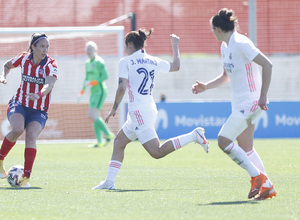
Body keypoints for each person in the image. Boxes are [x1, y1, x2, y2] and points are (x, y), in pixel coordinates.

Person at [93, 28, 209, 190]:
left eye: (126, 45)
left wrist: (114, 108)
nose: (125, 49)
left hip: (139, 112)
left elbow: (121, 88)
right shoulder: (153, 60)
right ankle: (109, 182)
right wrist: (175, 45)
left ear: (130, 44)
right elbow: (176, 66)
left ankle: (193, 136)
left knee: (157, 152)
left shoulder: (125, 61)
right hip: (145, 109)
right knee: (119, 142)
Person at [192, 8, 276, 200]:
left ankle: (257, 177)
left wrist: (263, 96)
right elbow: (225, 77)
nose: (212, 33)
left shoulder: (241, 43)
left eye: (212, 30)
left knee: (223, 140)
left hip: (252, 101)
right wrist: (206, 86)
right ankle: (267, 187)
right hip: (241, 103)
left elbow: (267, 64)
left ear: (218, 29)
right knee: (246, 148)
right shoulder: (225, 46)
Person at [0, 33, 58, 188]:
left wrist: (38, 94)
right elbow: (7, 65)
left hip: (39, 110)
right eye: (41, 46)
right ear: (33, 47)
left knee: (31, 136)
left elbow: (49, 85)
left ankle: (26, 177)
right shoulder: (24, 58)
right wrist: (3, 76)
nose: (45, 50)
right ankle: (0, 160)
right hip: (19, 103)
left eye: (47, 46)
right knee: (17, 129)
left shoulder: (51, 65)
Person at [79, 41, 115, 148]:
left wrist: (92, 83)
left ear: (95, 50)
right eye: (87, 48)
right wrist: (82, 90)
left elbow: (105, 76)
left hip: (100, 91)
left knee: (92, 115)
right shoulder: (87, 63)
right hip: (93, 92)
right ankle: (99, 141)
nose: (88, 50)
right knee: (95, 116)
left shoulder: (99, 62)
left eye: (91, 48)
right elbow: (87, 78)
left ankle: (109, 134)